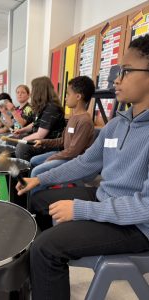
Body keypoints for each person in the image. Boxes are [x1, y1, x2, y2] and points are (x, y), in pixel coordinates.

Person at [16, 34, 149, 300]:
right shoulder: (117, 122)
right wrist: (40, 180)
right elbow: (86, 162)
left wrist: (82, 209)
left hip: (138, 226)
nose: (116, 80)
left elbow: (146, 206)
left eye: (125, 71)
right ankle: (43, 278)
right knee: (38, 198)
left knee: (46, 247)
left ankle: (47, 260)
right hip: (106, 198)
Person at [30, 76, 95, 192]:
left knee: (36, 171)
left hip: (75, 161)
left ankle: (34, 202)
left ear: (78, 96)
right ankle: (40, 191)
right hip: (66, 155)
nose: (65, 98)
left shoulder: (84, 121)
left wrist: (52, 157)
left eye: (68, 94)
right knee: (33, 160)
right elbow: (62, 141)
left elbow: (74, 152)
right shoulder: (73, 117)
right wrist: (43, 142)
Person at [15, 77, 66, 161]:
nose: (31, 93)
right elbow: (35, 123)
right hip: (40, 140)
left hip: (50, 144)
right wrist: (22, 131)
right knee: (13, 139)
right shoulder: (42, 106)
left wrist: (23, 140)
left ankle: (26, 172)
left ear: (39, 91)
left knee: (22, 147)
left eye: (33, 89)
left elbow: (40, 135)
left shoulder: (51, 108)